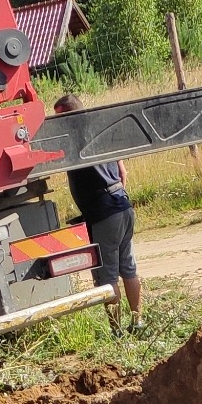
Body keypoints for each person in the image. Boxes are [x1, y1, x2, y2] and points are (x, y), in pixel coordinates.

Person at [53, 93, 143, 333]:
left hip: (105, 214)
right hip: (123, 205)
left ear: (66, 115)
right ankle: (137, 322)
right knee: (128, 268)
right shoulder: (102, 132)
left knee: (108, 276)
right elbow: (123, 173)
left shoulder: (72, 138)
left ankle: (116, 331)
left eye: (57, 118)